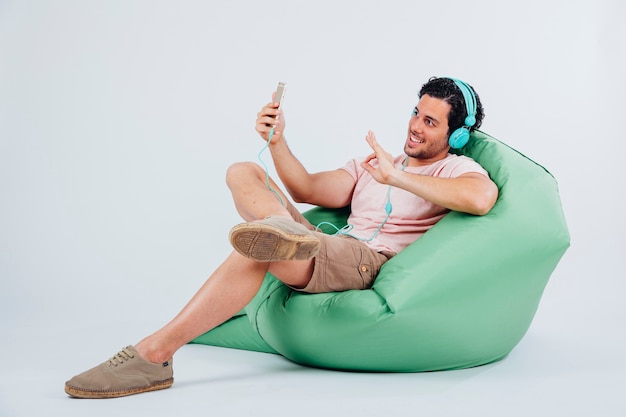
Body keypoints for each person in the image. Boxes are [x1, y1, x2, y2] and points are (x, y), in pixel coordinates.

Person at [65, 76, 499, 399]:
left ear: (455, 135)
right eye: (415, 113)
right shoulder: (376, 161)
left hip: (364, 259)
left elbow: (481, 198)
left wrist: (399, 179)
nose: (415, 126)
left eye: (429, 121)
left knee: (259, 247)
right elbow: (306, 188)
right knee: (243, 171)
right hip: (317, 242)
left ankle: (154, 354)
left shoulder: (453, 169)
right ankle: (281, 231)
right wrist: (277, 141)